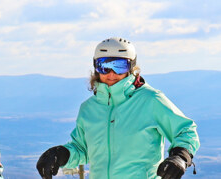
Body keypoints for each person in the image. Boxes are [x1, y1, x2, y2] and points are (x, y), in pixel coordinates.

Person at [36, 37, 200, 179]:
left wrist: (180, 157)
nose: (111, 73)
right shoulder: (89, 109)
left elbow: (186, 130)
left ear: (131, 68)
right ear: (96, 68)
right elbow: (83, 148)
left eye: (119, 66)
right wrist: (60, 154)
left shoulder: (150, 100)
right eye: (104, 66)